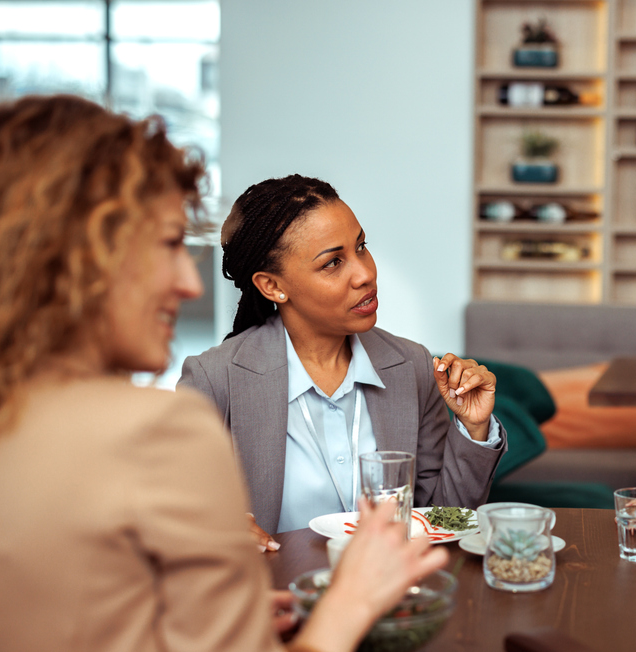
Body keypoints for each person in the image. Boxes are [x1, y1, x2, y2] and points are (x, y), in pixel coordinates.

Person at [0, 95, 468, 652]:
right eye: (170, 244)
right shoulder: (163, 427)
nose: (187, 282)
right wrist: (346, 606)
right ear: (70, 257)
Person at [178, 175, 504, 551]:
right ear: (272, 286)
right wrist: (212, 529)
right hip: (278, 600)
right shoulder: (214, 380)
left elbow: (442, 520)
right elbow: (174, 521)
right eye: (333, 262)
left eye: (361, 246)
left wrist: (473, 429)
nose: (366, 274)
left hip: (395, 597)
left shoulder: (412, 366)